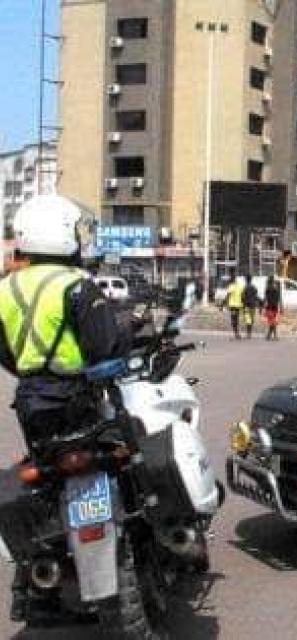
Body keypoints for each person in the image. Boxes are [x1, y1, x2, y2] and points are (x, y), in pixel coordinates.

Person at [0, 195, 132, 621]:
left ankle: (32, 587)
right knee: (123, 458)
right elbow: (105, 348)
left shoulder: (4, 288)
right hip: (78, 398)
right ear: (64, 236)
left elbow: (5, 354)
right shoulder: (76, 286)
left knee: (47, 477)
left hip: (32, 402)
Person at [224, 274, 245, 340]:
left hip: (233, 305)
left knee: (233, 319)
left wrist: (223, 303)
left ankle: (236, 333)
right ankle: (236, 333)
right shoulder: (240, 286)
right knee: (236, 319)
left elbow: (228, 295)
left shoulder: (231, 286)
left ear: (231, 280)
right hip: (238, 305)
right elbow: (242, 296)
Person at [264, 276, 282, 341]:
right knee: (273, 321)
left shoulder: (267, 289)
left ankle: (270, 335)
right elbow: (279, 298)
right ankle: (273, 335)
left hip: (269, 307)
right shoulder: (277, 288)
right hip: (275, 307)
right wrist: (281, 307)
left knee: (271, 321)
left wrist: (263, 307)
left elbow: (265, 299)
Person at [242, 274, 260, 339]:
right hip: (253, 305)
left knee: (247, 319)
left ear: (246, 279)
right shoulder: (254, 287)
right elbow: (256, 296)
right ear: (251, 279)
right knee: (251, 319)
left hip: (247, 305)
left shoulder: (245, 288)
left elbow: (243, 297)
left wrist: (243, 304)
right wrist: (260, 302)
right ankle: (250, 333)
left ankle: (248, 334)